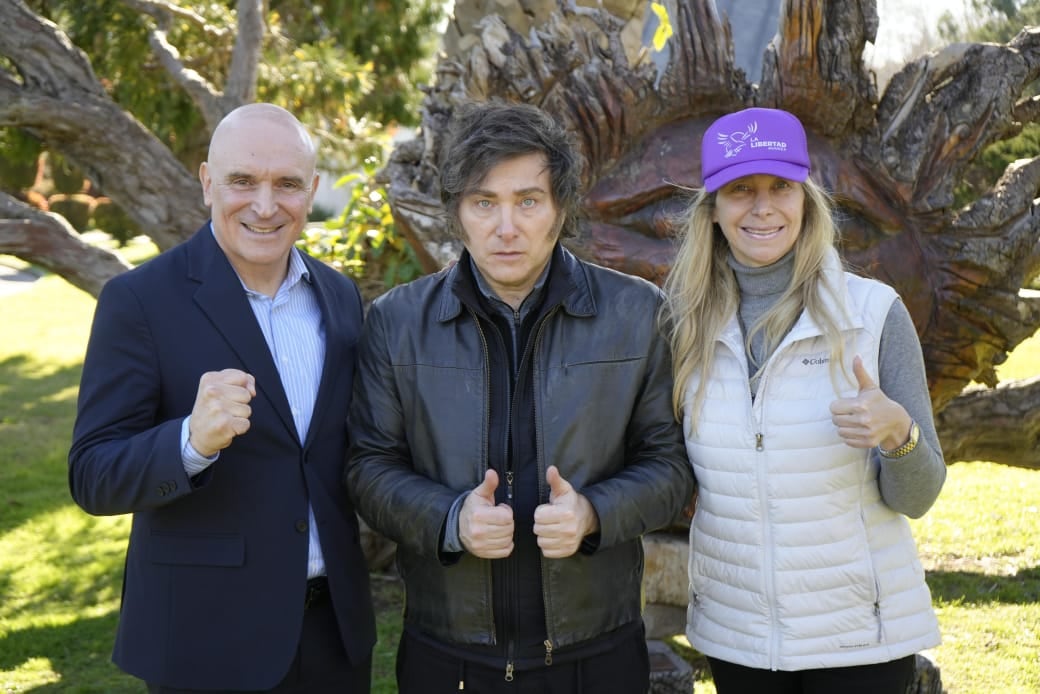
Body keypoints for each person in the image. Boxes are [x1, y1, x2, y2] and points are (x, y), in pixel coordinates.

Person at [344, 101, 695, 693]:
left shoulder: (637, 314)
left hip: (598, 654)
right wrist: (450, 519)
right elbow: (367, 467)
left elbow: (671, 466)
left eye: (528, 201)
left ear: (560, 210)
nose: (506, 227)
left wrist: (593, 513)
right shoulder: (396, 321)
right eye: (485, 202)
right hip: (447, 655)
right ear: (458, 213)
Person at [68, 103, 376, 693]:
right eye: (243, 181)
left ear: (311, 191)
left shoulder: (338, 296)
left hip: (333, 637)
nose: (265, 206)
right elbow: (92, 474)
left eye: (286, 184)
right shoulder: (139, 301)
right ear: (208, 181)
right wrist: (190, 441)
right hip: (208, 638)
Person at [661, 106, 946, 693]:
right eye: (741, 189)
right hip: (736, 636)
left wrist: (899, 435)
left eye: (781, 187)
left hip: (857, 642)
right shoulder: (683, 326)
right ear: (712, 209)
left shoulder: (872, 315)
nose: (762, 207)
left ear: (806, 200)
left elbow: (918, 497)